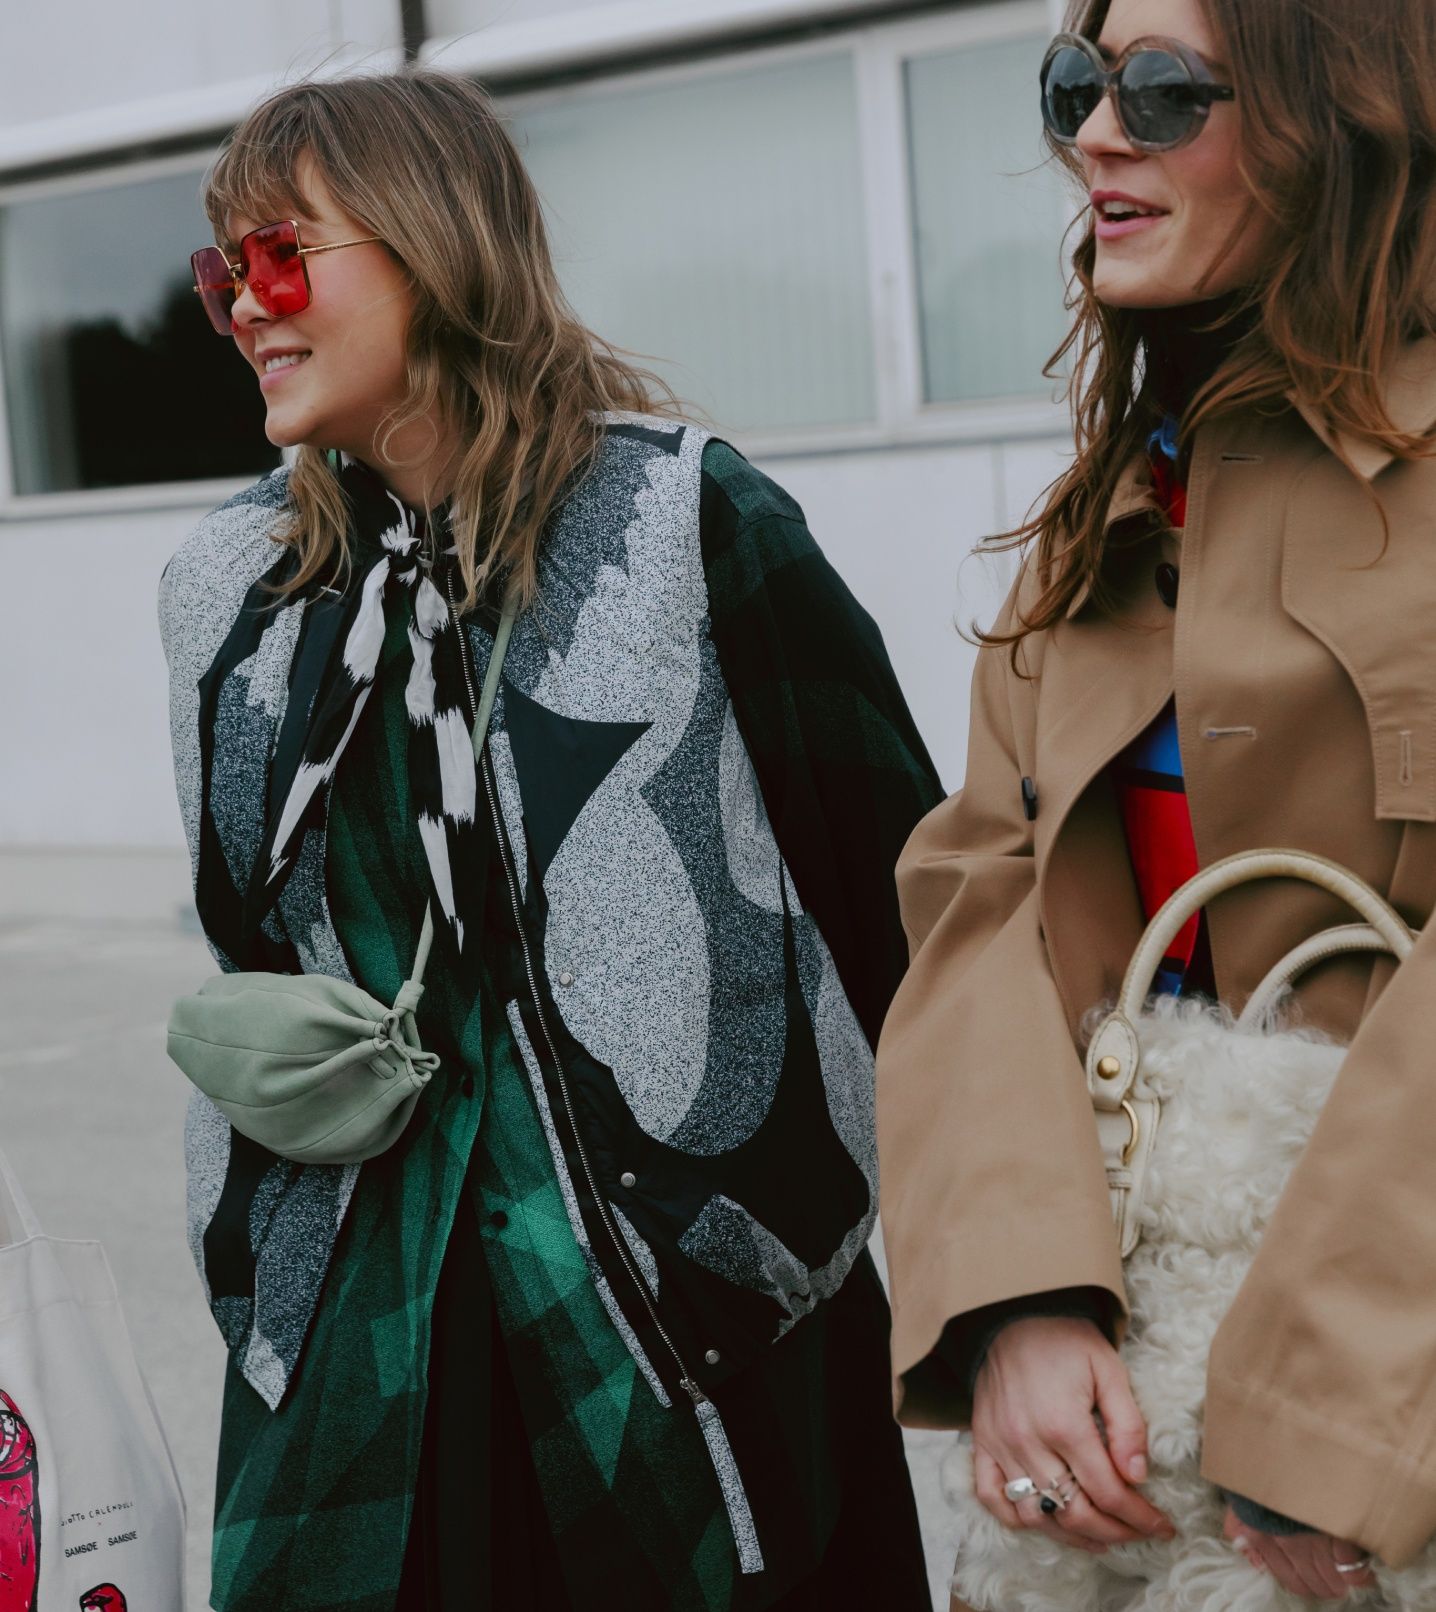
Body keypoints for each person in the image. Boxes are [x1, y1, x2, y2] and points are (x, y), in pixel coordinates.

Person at [159, 68, 940, 1612]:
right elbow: (252, 944)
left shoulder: (687, 522)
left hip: (690, 1329)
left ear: (434, 244)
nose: (244, 305)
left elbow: (915, 919)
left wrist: (1009, 1289)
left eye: (282, 257)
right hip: (362, 1331)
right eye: (218, 270)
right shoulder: (226, 591)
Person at [877, 0, 1436, 1602]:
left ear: (1346, 117)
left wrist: (1328, 1415)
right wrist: (1021, 1303)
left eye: (1167, 93)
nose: (1097, 137)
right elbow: (978, 903)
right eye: (1078, 85)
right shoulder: (1107, 510)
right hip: (1120, 1438)